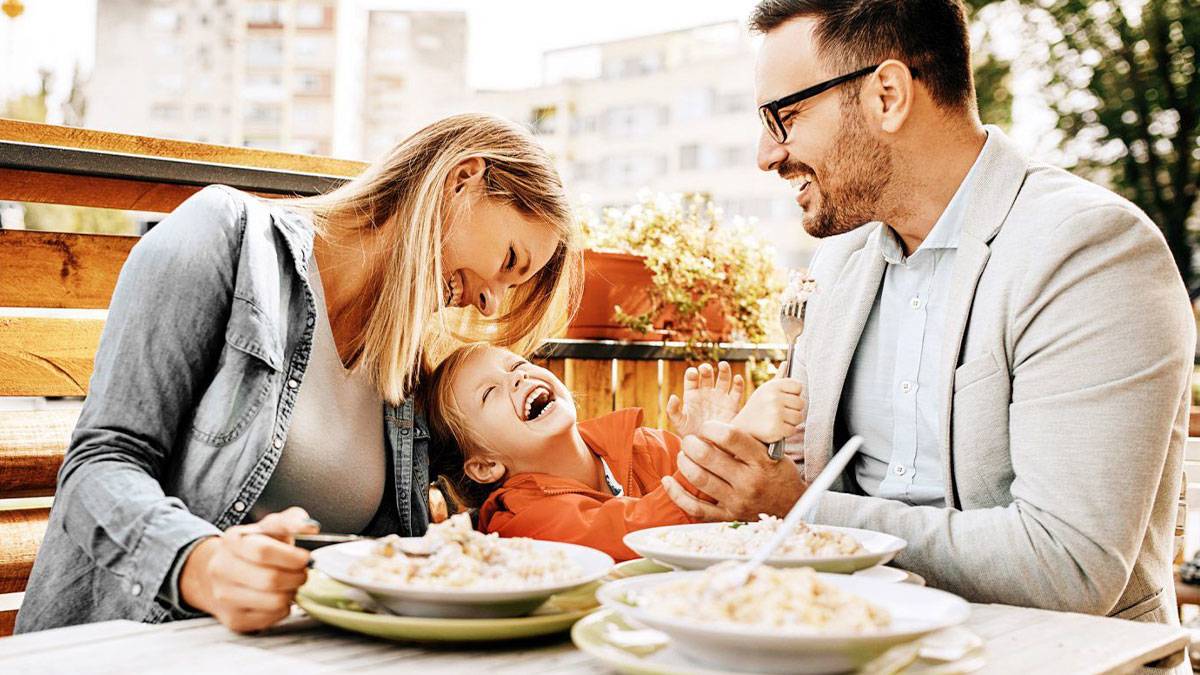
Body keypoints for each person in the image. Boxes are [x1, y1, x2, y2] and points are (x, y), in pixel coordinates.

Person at [660, 0, 1195, 632]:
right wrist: (739, 457)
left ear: (887, 94)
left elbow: (1069, 567)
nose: (766, 155)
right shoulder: (836, 267)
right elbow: (805, 475)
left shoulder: (1091, 251)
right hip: (845, 642)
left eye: (785, 116)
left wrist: (801, 510)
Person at [17, 113, 582, 634]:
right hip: (142, 645)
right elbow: (100, 464)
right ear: (462, 179)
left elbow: (512, 476)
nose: (488, 304)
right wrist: (201, 564)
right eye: (510, 263)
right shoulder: (227, 239)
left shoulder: (404, 368)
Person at [420, 343, 805, 560]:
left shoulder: (647, 446)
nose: (517, 376)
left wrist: (708, 444)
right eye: (490, 393)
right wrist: (729, 440)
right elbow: (635, 531)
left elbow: (738, 508)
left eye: (516, 364)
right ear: (485, 466)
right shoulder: (520, 520)